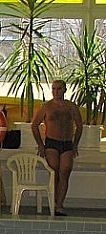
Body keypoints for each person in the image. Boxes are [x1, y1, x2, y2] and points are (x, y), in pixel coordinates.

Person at [31, 80, 83, 217]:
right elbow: (34, 125)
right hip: (51, 143)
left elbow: (79, 126)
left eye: (59, 89)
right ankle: (54, 203)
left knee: (65, 172)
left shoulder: (71, 107)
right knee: (54, 173)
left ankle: (59, 205)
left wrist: (75, 144)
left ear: (65, 90)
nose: (56, 92)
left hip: (67, 143)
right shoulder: (46, 107)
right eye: (53, 89)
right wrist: (40, 144)